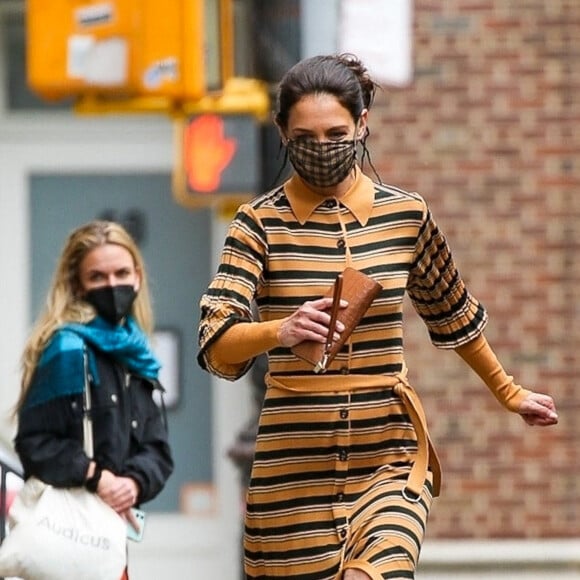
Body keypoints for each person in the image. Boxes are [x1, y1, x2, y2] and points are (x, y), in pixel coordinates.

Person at [197, 54, 558, 580]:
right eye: (305, 137)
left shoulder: (406, 216)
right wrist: (280, 329)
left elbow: (452, 313)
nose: (322, 148)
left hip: (387, 456)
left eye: (336, 132)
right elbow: (217, 340)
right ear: (281, 133)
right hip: (291, 471)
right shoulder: (258, 226)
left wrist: (509, 392)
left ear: (363, 123)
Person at [14, 220, 174, 580]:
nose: (112, 285)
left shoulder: (135, 355)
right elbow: (34, 442)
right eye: (97, 277)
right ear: (77, 285)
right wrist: (97, 477)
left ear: (137, 277)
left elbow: (157, 449)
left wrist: (132, 483)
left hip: (110, 537)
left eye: (121, 273)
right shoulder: (66, 350)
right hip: (68, 534)